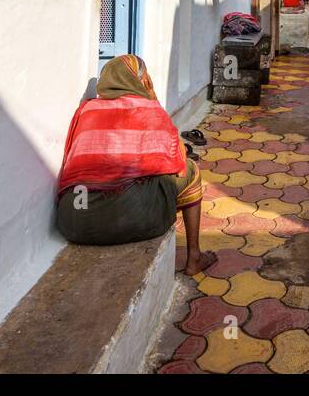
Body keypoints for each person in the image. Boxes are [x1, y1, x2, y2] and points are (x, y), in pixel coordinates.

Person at [55, 54, 215, 274]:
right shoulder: (148, 110)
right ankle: (194, 258)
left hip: (74, 221)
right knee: (190, 171)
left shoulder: (86, 110)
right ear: (140, 79)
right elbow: (176, 161)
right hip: (129, 218)